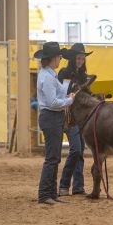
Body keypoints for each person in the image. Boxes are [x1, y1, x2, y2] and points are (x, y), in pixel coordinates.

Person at [35, 42, 76, 205]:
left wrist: (67, 96)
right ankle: (45, 194)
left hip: (53, 117)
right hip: (51, 116)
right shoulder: (48, 76)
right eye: (59, 56)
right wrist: (69, 100)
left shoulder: (49, 74)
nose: (60, 58)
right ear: (53, 58)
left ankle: (50, 193)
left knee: (54, 157)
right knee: (52, 158)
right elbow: (52, 102)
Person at [57, 43, 93, 196]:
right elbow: (61, 93)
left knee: (79, 151)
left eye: (82, 58)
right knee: (76, 150)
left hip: (80, 118)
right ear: (72, 59)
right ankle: (64, 184)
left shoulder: (83, 76)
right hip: (68, 117)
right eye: (78, 58)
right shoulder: (64, 73)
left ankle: (78, 187)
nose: (80, 61)